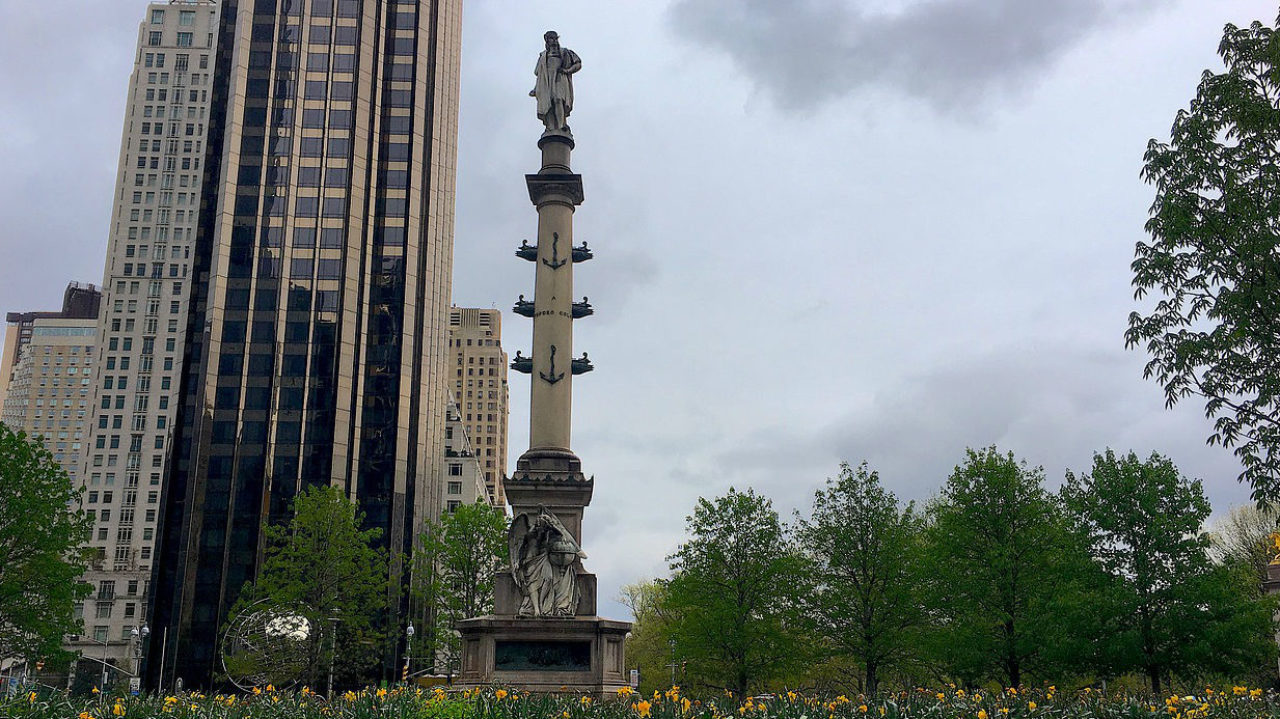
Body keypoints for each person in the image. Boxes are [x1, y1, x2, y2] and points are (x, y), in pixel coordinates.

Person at [530, 31, 582, 134]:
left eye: (555, 38)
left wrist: (567, 71)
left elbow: (578, 63)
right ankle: (551, 127)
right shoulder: (543, 56)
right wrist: (536, 89)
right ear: (547, 41)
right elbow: (539, 74)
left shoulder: (565, 52)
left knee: (558, 100)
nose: (553, 41)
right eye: (551, 38)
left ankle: (561, 125)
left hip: (560, 79)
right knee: (548, 103)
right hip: (546, 82)